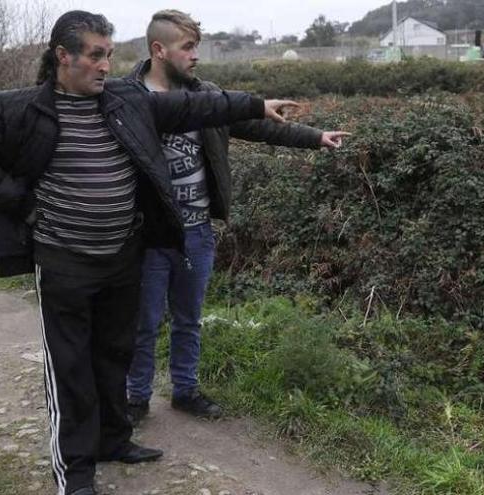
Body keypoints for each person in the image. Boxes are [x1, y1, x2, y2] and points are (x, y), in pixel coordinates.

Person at [0, 10, 297, 495]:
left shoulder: (128, 101)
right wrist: (17, 202)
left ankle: (114, 439)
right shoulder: (17, 109)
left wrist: (255, 104)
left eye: (108, 54)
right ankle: (76, 474)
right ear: (63, 56)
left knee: (114, 355)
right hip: (64, 260)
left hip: (122, 258)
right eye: (94, 55)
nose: (105, 66)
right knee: (70, 368)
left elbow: (199, 108)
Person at [124, 10, 349, 423]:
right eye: (187, 47)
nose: (196, 55)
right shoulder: (127, 99)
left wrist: (316, 137)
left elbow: (261, 127)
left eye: (196, 46)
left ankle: (185, 390)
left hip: (197, 230)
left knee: (188, 317)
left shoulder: (207, 97)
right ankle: (135, 398)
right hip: (147, 234)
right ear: (159, 50)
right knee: (144, 320)